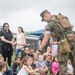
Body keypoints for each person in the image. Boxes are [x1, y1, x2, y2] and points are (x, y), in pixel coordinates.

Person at [37, 10, 75, 75]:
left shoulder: (50, 24)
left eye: (44, 19)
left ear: (46, 16)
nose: (45, 21)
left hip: (63, 44)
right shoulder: (62, 17)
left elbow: (45, 39)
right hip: (73, 41)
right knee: (73, 60)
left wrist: (39, 50)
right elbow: (71, 27)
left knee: (62, 64)